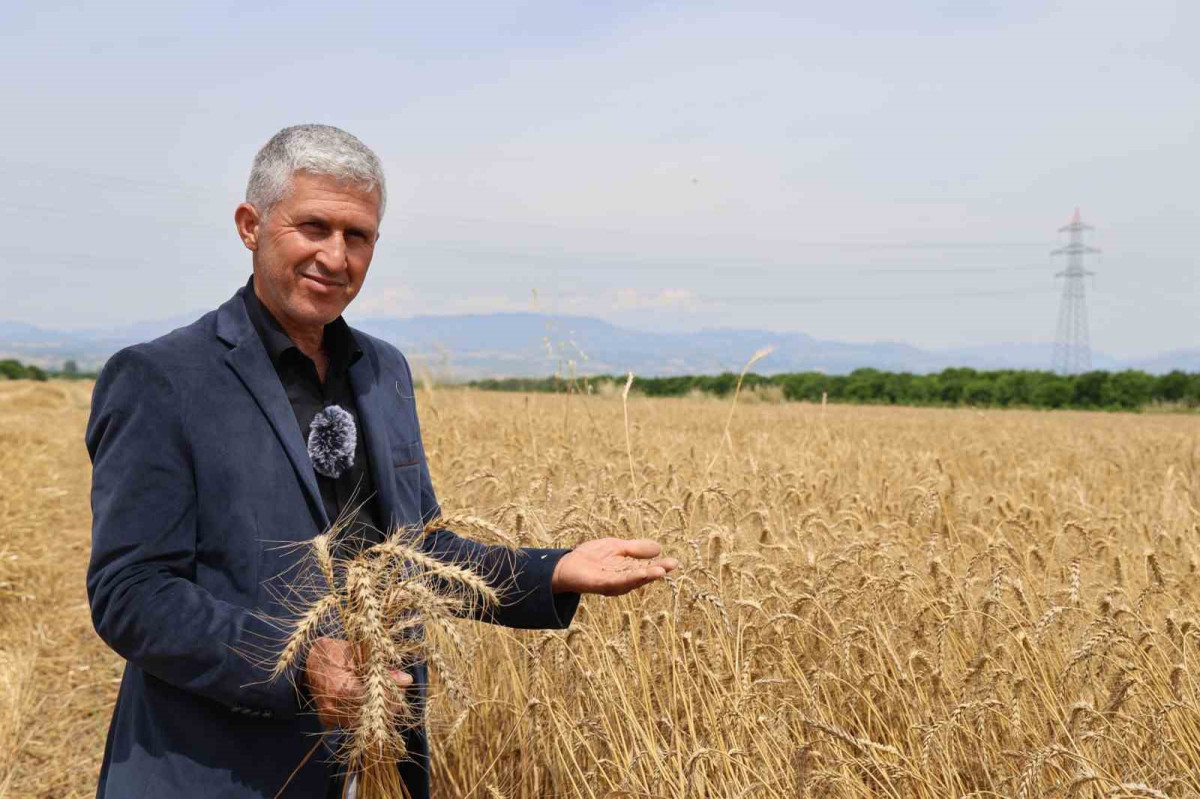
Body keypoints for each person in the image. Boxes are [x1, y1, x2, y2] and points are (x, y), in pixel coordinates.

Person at [85, 124, 678, 799]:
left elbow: (413, 554)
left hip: (375, 768)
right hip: (214, 772)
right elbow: (132, 593)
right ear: (251, 226)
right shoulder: (161, 379)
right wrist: (301, 663)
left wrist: (552, 571)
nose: (335, 257)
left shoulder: (382, 371)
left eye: (357, 235)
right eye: (314, 227)